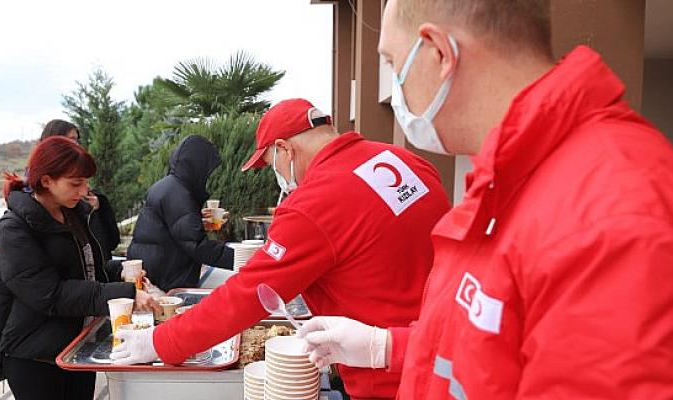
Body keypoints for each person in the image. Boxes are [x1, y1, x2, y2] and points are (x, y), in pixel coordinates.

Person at [297, 1, 673, 399]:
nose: (397, 93)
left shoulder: (613, 210)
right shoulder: (511, 180)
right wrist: (384, 347)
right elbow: (489, 348)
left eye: (394, 66)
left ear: (440, 53)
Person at [112, 99, 451, 400]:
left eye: (270, 162)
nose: (277, 174)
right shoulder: (404, 161)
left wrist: (160, 342)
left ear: (284, 149)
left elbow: (247, 296)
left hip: (386, 379)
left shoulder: (315, 200)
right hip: (444, 352)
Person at [0, 136, 159, 400]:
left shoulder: (72, 215)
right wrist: (125, 293)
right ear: (46, 180)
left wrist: (119, 272)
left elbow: (87, 269)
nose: (84, 191)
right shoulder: (14, 229)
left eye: (85, 182)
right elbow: (48, 293)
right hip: (35, 354)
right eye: (75, 183)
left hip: (78, 345)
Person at [126, 135, 234, 291]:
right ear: (197, 165)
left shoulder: (169, 186)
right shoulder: (178, 194)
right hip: (164, 279)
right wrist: (243, 258)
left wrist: (197, 220)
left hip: (153, 271)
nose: (208, 174)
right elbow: (197, 246)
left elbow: (173, 230)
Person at [40, 119, 121, 260]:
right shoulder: (22, 221)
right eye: (75, 183)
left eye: (77, 141)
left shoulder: (86, 200)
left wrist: (97, 209)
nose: (75, 146)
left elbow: (104, 248)